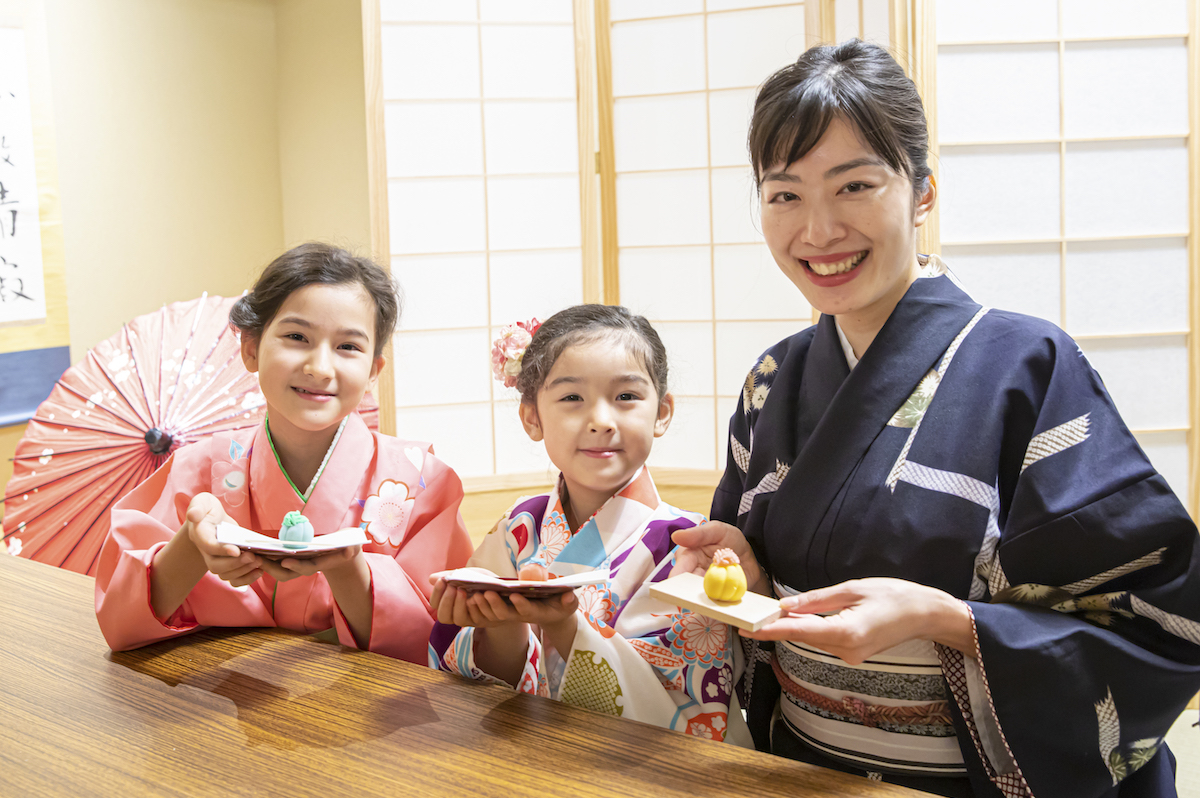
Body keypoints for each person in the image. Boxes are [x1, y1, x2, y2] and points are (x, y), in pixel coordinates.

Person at [669, 40, 1200, 798]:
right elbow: (767, 593)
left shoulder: (1027, 365)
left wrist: (947, 619)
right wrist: (748, 574)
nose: (818, 230)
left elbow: (1156, 616)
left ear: (922, 193)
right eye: (784, 195)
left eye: (854, 185)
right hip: (802, 774)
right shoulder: (774, 378)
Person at [95, 242, 473, 664]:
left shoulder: (424, 481)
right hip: (221, 688)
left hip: (367, 698)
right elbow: (121, 624)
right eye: (296, 337)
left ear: (373, 371)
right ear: (251, 348)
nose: (320, 367)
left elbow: (449, 644)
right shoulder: (197, 470)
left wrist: (349, 570)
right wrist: (191, 545)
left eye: (348, 346)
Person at [429, 305, 749, 744]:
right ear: (532, 417)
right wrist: (501, 625)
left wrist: (565, 627)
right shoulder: (519, 526)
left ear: (662, 412)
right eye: (572, 398)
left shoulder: (687, 548)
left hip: (640, 770)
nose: (601, 421)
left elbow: (687, 714)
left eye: (626, 396)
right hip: (522, 757)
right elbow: (479, 680)